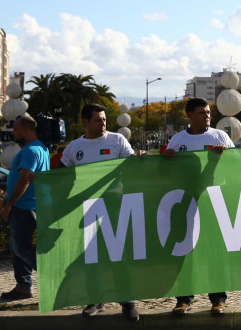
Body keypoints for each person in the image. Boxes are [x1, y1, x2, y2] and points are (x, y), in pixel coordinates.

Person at [58, 103, 143, 322]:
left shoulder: (117, 140)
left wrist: (141, 156)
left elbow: (133, 163)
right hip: (86, 210)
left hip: (115, 207)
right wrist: (38, 179)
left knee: (119, 256)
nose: (103, 123)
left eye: (104, 119)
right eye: (98, 119)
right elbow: (60, 176)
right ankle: (95, 300)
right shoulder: (74, 147)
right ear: (86, 122)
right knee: (91, 258)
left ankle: (127, 302)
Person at [162, 97, 234, 317]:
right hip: (185, 200)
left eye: (209, 112)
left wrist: (226, 156)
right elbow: (165, 171)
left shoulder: (220, 136)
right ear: (190, 115)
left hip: (212, 199)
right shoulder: (177, 139)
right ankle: (183, 300)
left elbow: (239, 162)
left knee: (214, 251)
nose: (208, 116)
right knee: (185, 252)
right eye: (202, 113)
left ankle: (218, 299)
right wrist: (166, 158)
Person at [0, 115, 50, 301]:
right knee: (16, 246)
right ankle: (23, 287)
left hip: (23, 206)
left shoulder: (31, 150)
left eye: (16, 129)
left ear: (26, 129)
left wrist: (10, 203)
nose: (14, 132)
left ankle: (51, 272)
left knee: (20, 247)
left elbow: (25, 178)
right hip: (30, 204)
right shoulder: (40, 148)